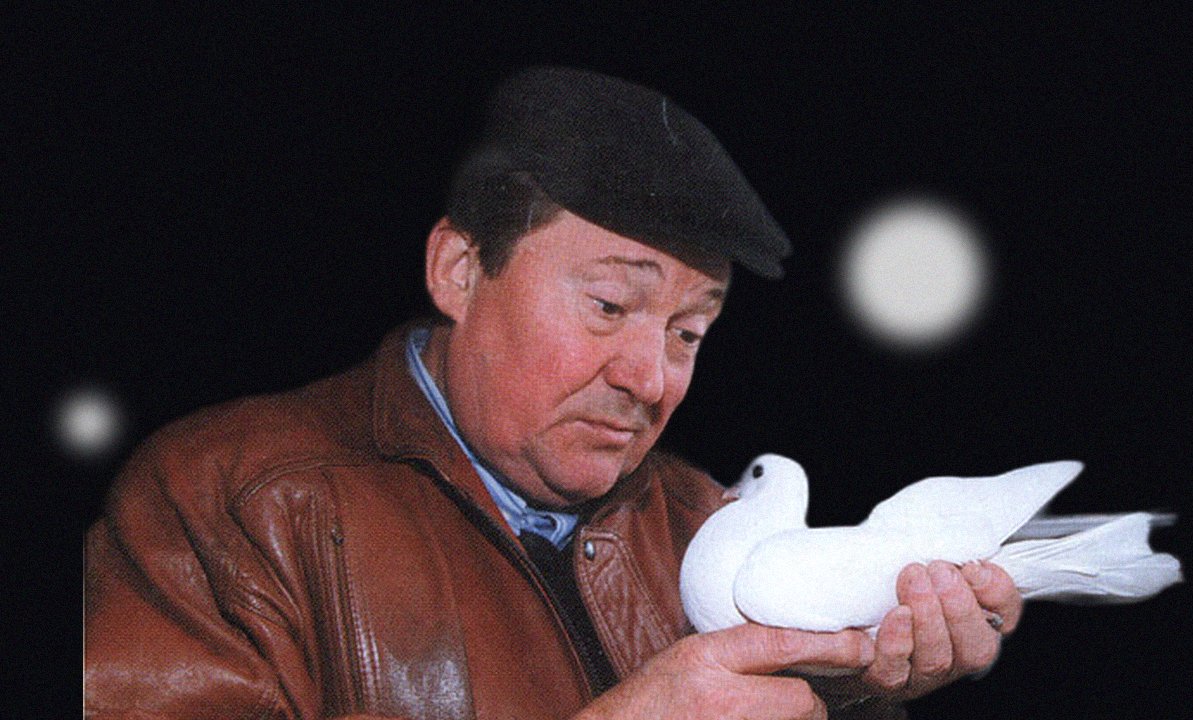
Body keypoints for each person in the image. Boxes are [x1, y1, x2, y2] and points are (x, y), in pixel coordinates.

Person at [84, 66, 1021, 720]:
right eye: (610, 304)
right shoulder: (223, 500)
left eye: (688, 333)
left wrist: (856, 687)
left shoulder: (702, 521)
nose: (651, 379)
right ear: (459, 271)